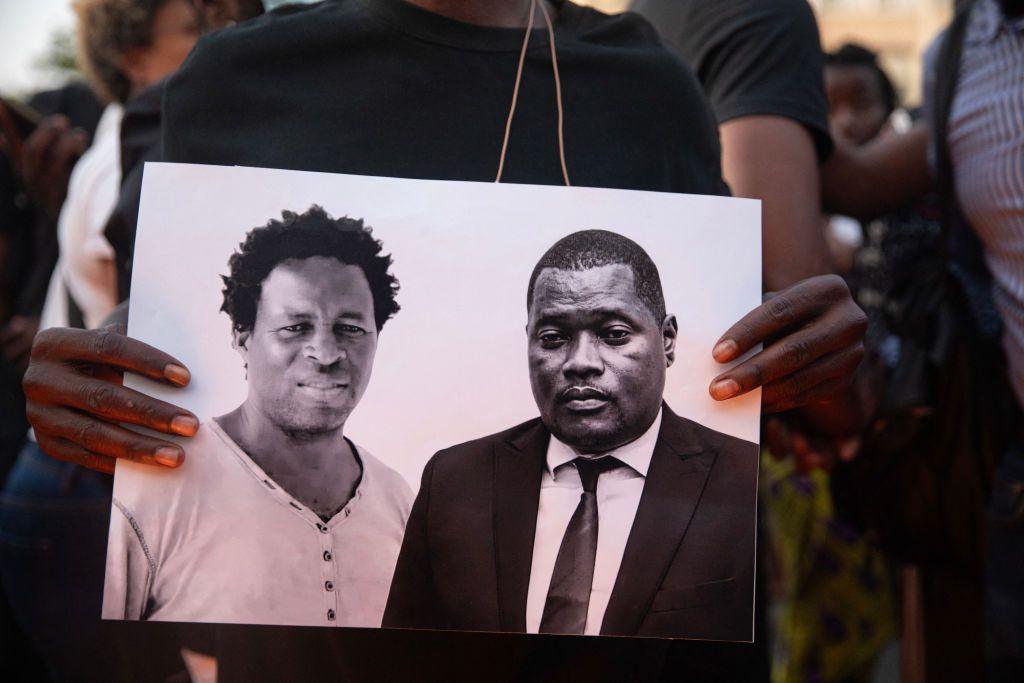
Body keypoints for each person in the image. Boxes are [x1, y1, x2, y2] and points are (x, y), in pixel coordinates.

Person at [24, 1, 867, 679]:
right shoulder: (239, 78)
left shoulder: (649, 89)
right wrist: (95, 381)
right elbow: (163, 345)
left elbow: (764, 383)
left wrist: (818, 366)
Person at [383, 229, 759, 640]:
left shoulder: (751, 482)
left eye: (614, 334)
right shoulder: (454, 481)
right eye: (553, 338)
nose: (580, 362)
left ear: (667, 339)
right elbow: (401, 660)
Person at [103, 206, 413, 626]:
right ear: (243, 338)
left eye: (350, 328)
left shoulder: (400, 502)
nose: (325, 354)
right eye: (296, 327)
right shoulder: (154, 488)